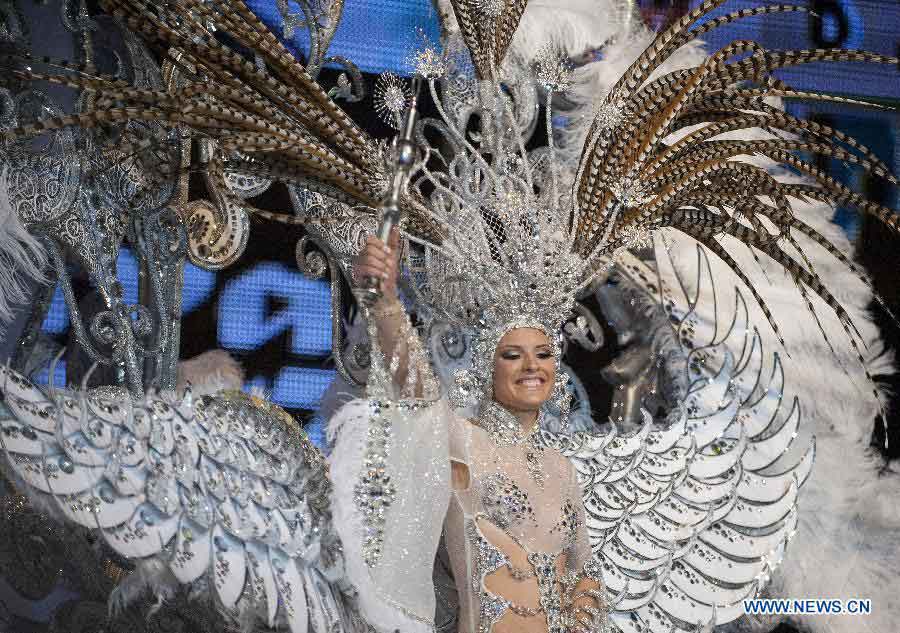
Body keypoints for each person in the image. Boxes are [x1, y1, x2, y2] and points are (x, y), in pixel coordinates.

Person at [347, 227, 611, 633]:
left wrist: (583, 615)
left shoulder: (562, 468)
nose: (531, 366)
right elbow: (416, 389)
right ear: (489, 368)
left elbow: (584, 571)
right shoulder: (466, 442)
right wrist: (384, 302)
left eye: (542, 354)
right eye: (512, 355)